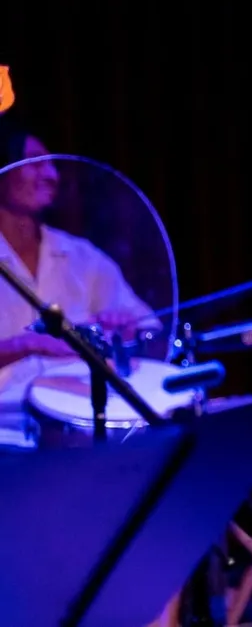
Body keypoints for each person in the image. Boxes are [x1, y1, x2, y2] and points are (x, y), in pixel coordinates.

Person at [0, 115, 160, 449]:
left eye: (53, 166)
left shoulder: (81, 256)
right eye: (34, 163)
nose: (51, 176)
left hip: (80, 422)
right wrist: (26, 345)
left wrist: (126, 329)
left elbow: (151, 329)